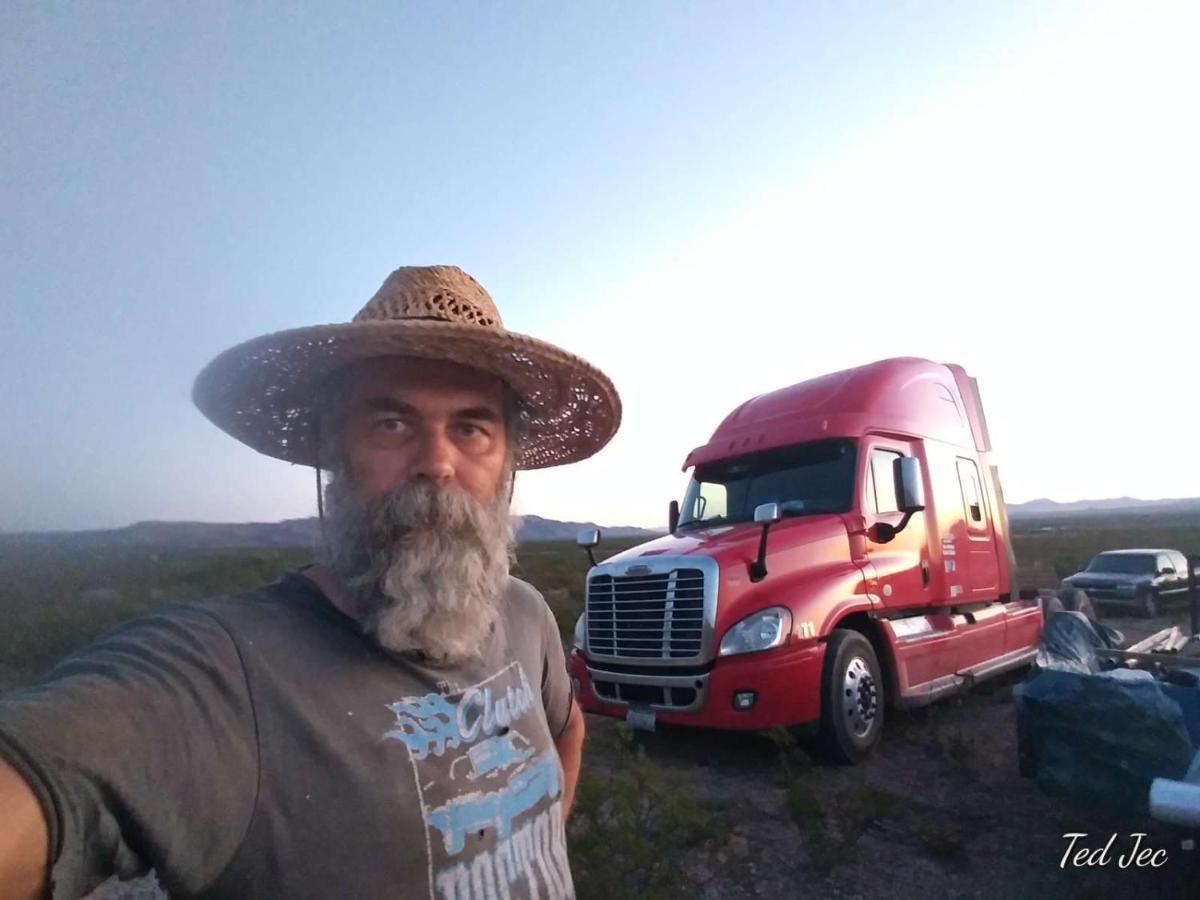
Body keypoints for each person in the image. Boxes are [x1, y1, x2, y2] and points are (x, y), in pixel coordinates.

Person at [0, 265, 621, 900]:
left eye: (471, 427)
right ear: (333, 447)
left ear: (505, 462)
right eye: (392, 424)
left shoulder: (525, 612)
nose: (437, 464)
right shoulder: (230, 676)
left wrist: (538, 850)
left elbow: (567, 725)